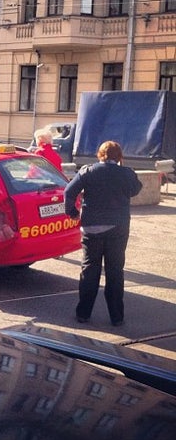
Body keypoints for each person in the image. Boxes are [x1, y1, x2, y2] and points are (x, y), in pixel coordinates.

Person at [64, 140, 142, 327]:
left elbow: (68, 192)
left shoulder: (88, 171)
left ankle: (83, 314)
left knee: (90, 270)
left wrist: (72, 212)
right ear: (119, 156)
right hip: (118, 227)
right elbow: (136, 190)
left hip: (92, 228)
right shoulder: (127, 173)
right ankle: (117, 317)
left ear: (99, 155)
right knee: (115, 271)